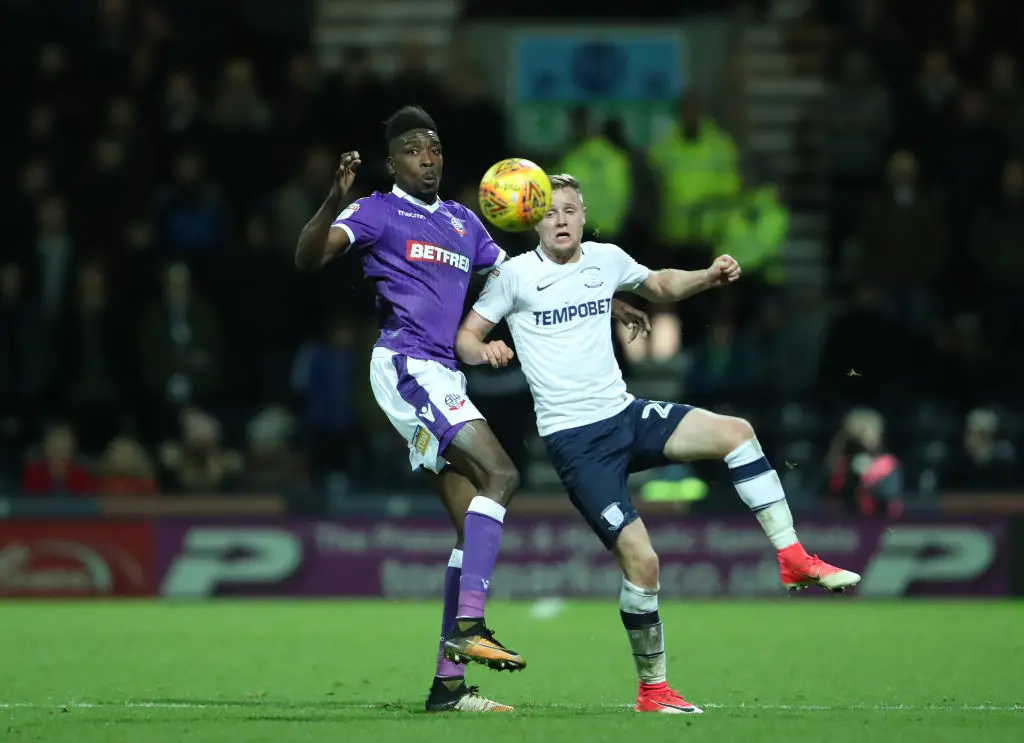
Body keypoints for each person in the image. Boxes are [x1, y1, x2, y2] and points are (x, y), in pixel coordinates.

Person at [455, 173, 860, 715]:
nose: (562, 220)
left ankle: (792, 557)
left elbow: (661, 284)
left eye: (572, 210)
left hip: (624, 414)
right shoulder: (514, 276)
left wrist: (709, 276)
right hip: (576, 444)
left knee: (737, 433)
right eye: (551, 212)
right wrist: (488, 352)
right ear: (532, 219)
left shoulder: (606, 259)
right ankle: (653, 690)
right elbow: (465, 336)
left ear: (583, 216)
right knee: (644, 565)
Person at [294, 109, 650, 713]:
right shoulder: (377, 210)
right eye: (412, 150)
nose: (427, 158)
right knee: (504, 474)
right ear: (392, 163)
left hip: (442, 373)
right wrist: (333, 198)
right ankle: (468, 629)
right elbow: (309, 257)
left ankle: (447, 687)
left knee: (471, 527)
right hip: (408, 365)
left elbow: (521, 278)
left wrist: (610, 300)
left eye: (433, 148)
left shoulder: (463, 223)